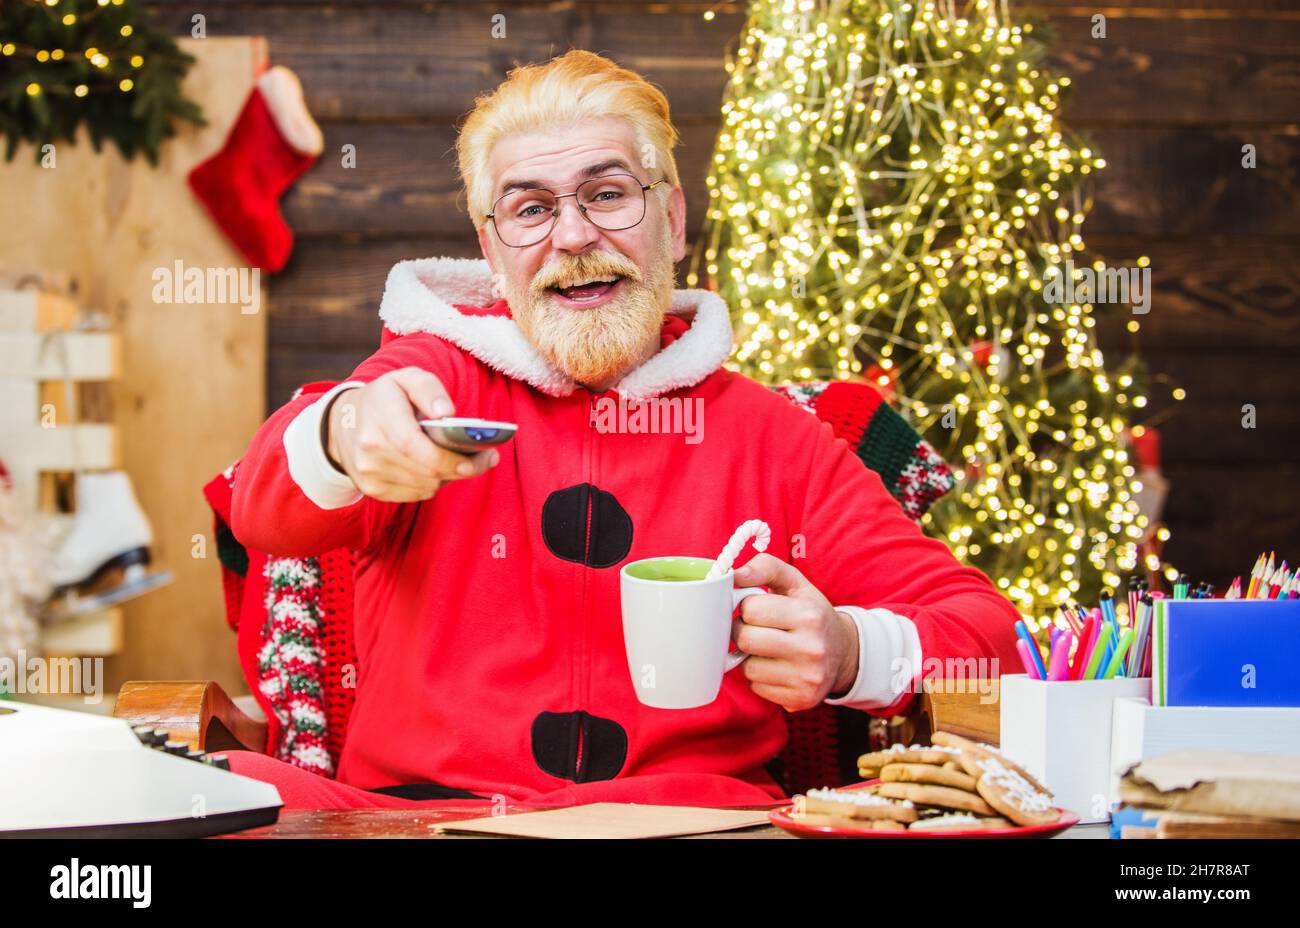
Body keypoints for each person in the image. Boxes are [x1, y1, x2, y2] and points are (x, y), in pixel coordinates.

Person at [227, 49, 1021, 809]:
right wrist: (343, 431)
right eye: (531, 209)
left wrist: (849, 649)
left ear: (672, 221)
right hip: (424, 821)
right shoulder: (432, 382)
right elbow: (262, 510)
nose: (571, 236)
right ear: (493, 251)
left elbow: (988, 637)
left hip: (694, 824)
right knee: (222, 788)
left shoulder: (775, 437)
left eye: (607, 195)